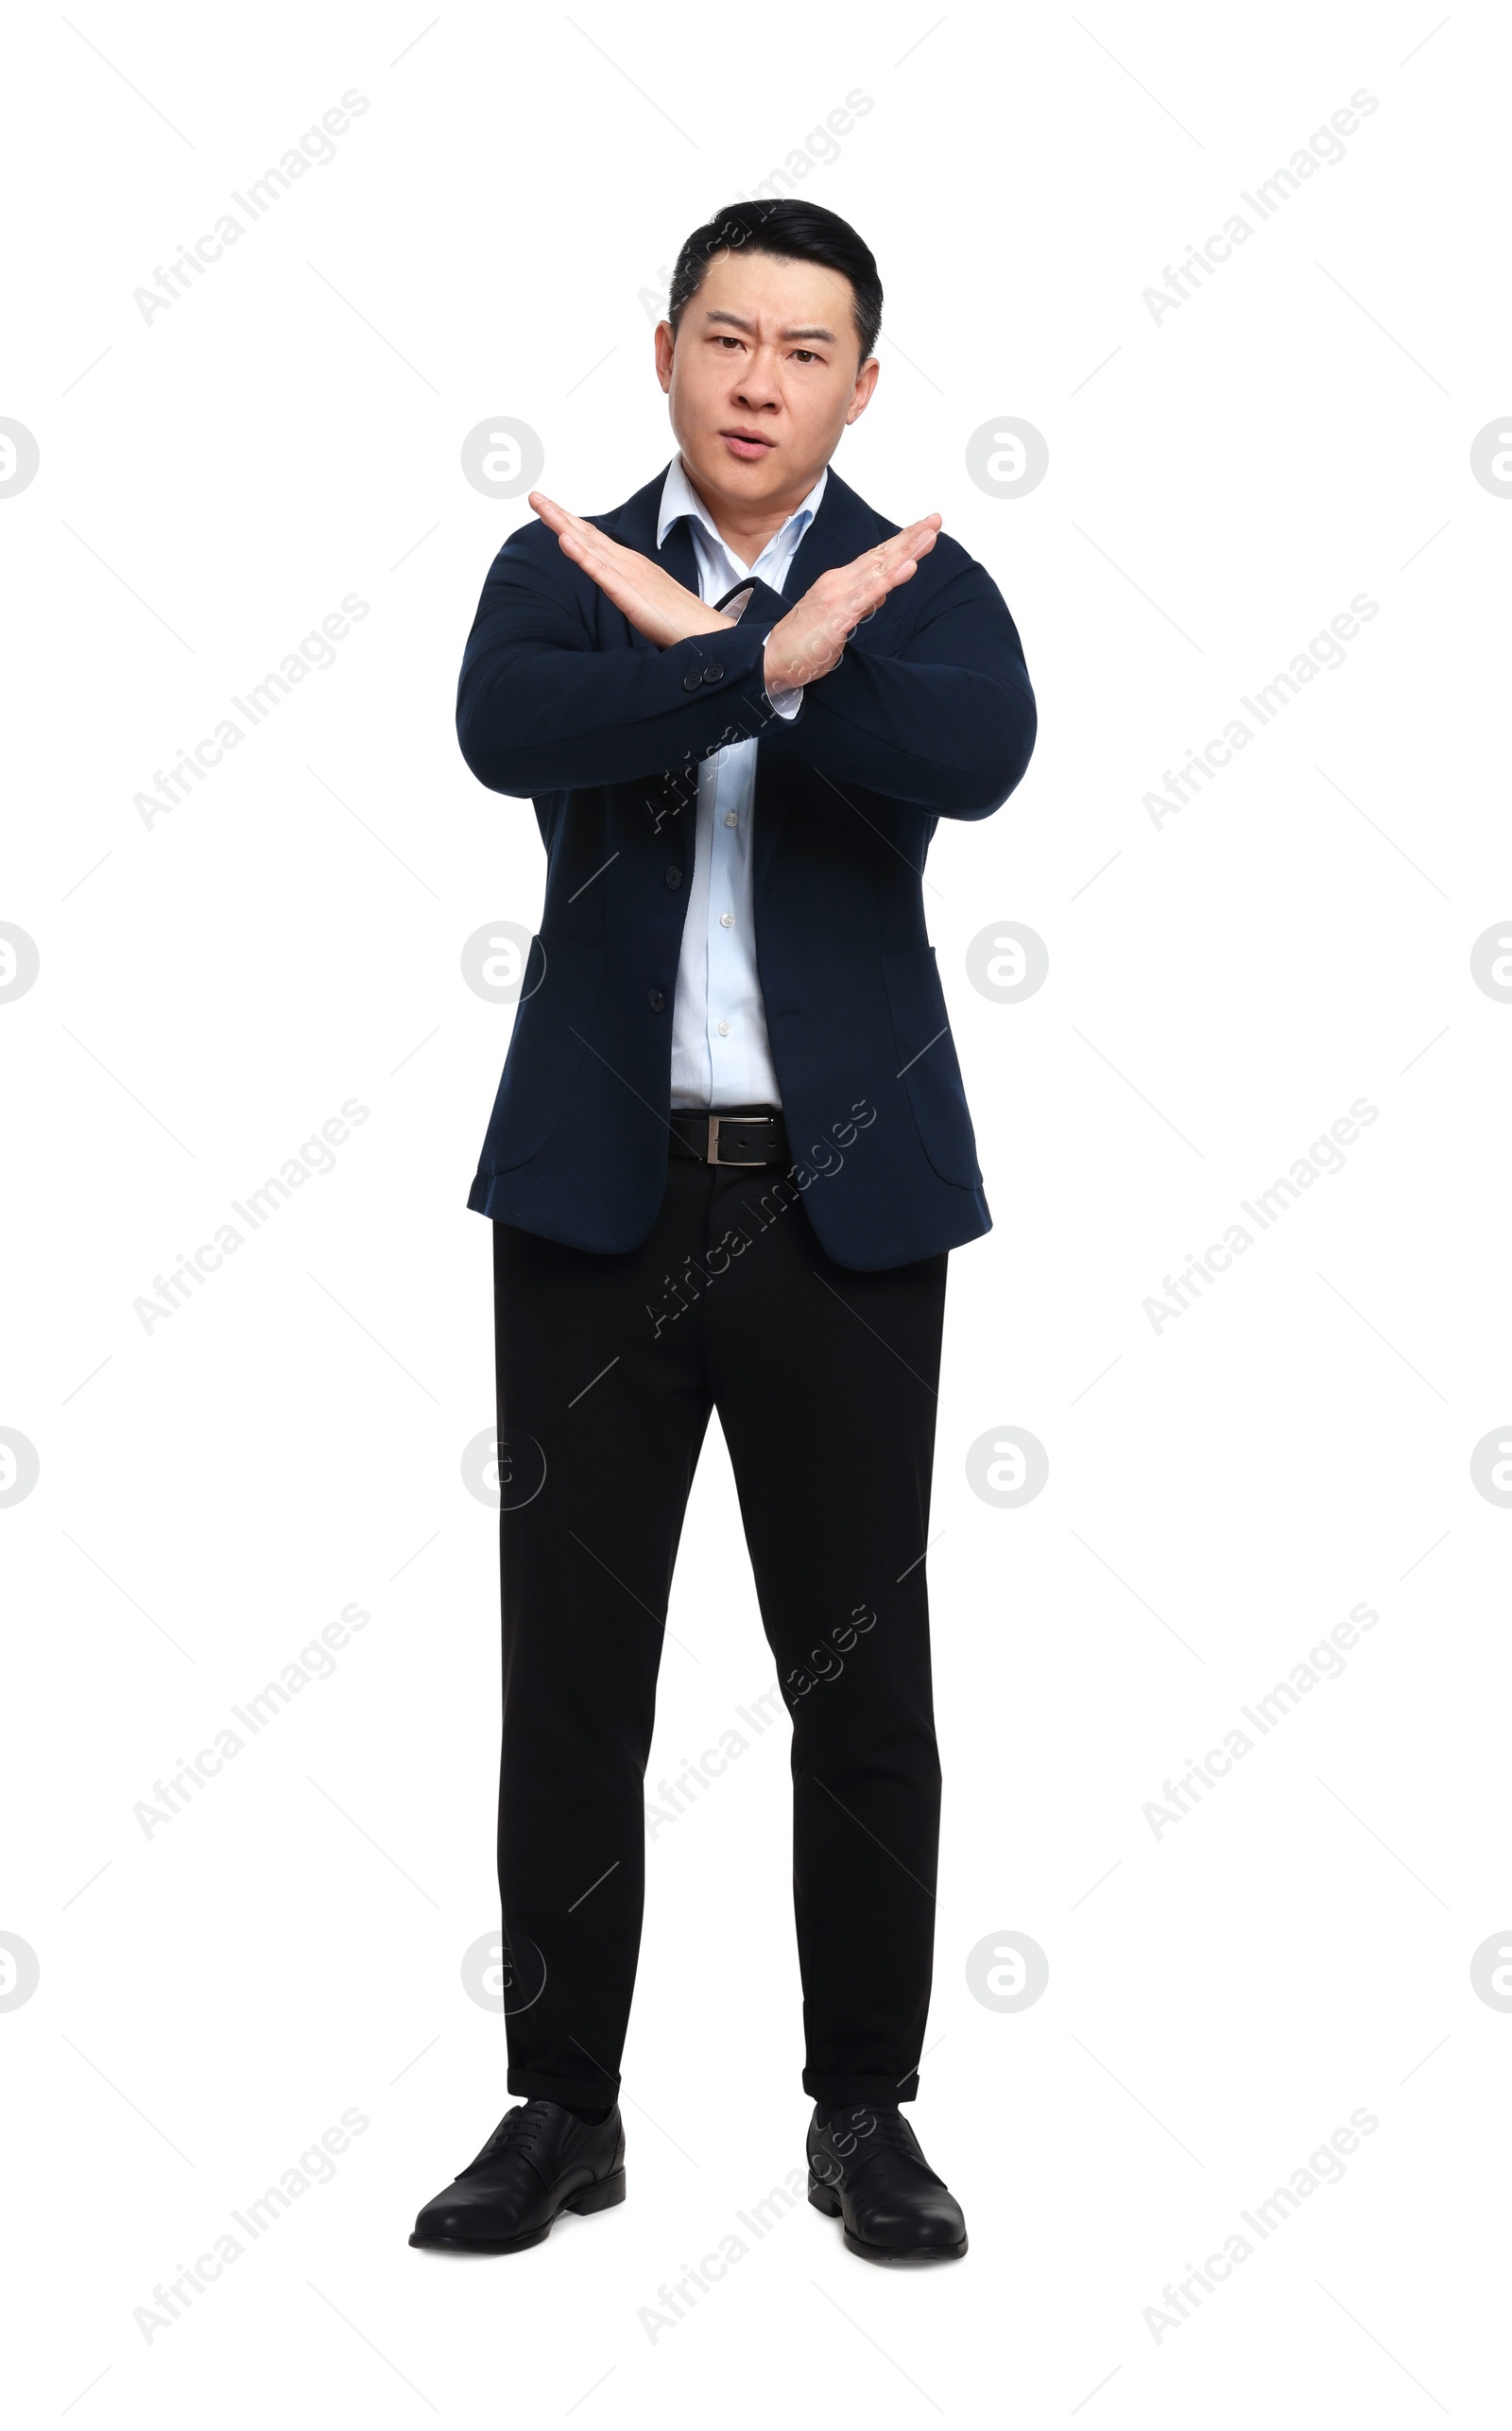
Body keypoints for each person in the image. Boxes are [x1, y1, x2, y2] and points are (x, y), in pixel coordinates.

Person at [409, 198, 1036, 2267]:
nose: (758, 381)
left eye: (804, 350)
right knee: (567, 1679)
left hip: (837, 1210)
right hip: (596, 1201)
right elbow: (515, 731)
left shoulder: (920, 590)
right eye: (726, 339)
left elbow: (975, 750)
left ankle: (864, 2111)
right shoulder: (555, 574)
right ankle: (558, 2106)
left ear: (861, 381)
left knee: (858, 1684)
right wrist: (748, 662)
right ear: (663, 352)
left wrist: (754, 666)